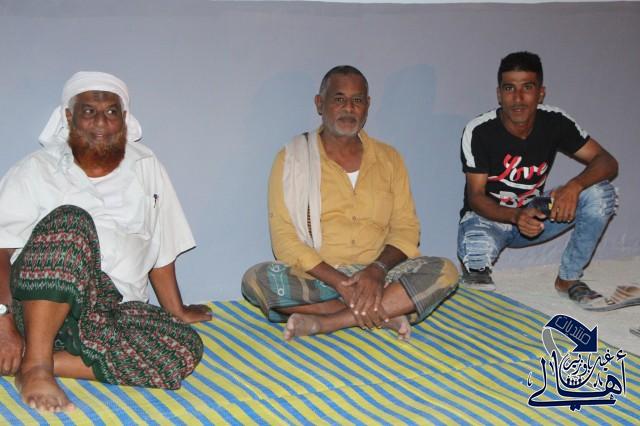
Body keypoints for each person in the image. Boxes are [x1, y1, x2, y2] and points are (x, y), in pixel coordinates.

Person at [0, 72, 212, 413]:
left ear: (124, 118)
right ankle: (36, 368)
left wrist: (177, 311)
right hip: (40, 307)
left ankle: (36, 359)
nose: (101, 122)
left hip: (112, 310)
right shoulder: (35, 169)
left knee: (183, 347)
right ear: (69, 116)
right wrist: (3, 322)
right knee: (71, 220)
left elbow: (161, 243)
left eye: (111, 112)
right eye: (89, 111)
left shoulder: (146, 166)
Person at [242, 65, 458, 341]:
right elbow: (284, 239)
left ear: (367, 106)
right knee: (256, 279)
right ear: (320, 104)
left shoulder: (389, 159)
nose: (349, 108)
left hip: (382, 274)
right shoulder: (292, 159)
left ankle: (329, 322)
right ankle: (385, 313)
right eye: (339, 99)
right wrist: (341, 283)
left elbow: (406, 228)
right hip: (322, 278)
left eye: (357, 100)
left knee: (445, 271)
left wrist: (376, 271)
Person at [457, 51, 619, 308]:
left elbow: (607, 161)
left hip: (535, 215)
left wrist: (574, 187)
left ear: (541, 93)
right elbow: (476, 197)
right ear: (499, 94)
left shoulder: (555, 121)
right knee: (477, 289)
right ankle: (477, 272)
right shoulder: (479, 130)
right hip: (488, 221)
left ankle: (568, 278)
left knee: (600, 193)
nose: (518, 98)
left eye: (527, 88)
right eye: (509, 88)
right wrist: (515, 216)